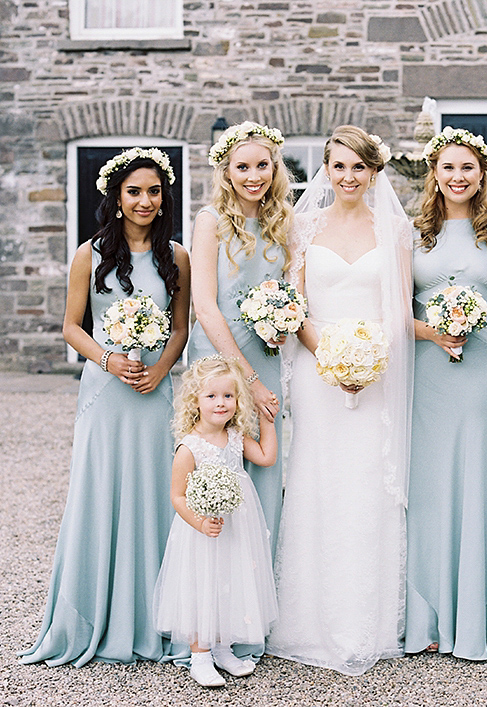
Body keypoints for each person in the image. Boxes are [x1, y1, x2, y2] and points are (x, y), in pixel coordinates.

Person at [19, 147, 190, 666]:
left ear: (164, 199)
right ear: (117, 196)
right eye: (134, 191)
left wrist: (161, 370)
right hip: (105, 392)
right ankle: (95, 615)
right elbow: (72, 325)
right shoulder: (88, 255)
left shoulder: (177, 256)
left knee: (156, 493)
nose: (144, 201)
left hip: (153, 392)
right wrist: (109, 359)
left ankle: (157, 618)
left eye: (154, 192)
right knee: (102, 493)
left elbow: (181, 326)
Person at [266, 126, 414, 675]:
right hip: (316, 370)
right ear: (325, 170)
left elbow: (398, 309)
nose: (348, 177)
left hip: (376, 370)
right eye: (338, 167)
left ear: (375, 173)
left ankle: (366, 623)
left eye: (359, 168)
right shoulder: (302, 226)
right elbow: (295, 303)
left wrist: (369, 360)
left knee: (367, 488)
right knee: (316, 481)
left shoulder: (394, 230)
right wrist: (329, 356)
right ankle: (307, 622)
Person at [405, 128, 487, 660]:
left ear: (482, 174)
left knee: (483, 474)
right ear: (434, 173)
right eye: (448, 168)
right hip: (429, 368)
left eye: (468, 168)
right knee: (432, 479)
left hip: (486, 367)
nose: (458, 177)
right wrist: (432, 331)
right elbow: (392, 312)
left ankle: (484, 616)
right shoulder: (412, 235)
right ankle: (427, 616)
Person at [187, 121, 293, 559]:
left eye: (262, 166)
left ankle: (258, 592)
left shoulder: (281, 221)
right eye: (243, 167)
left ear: (274, 167)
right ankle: (210, 595)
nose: (254, 176)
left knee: (265, 464)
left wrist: (285, 321)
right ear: (226, 171)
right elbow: (205, 306)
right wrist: (248, 379)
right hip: (219, 360)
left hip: (266, 354)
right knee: (216, 463)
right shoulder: (210, 221)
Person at [152, 356, 278, 687]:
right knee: (203, 584)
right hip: (202, 531)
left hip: (237, 526)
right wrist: (199, 523)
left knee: (231, 580)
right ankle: (200, 656)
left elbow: (266, 457)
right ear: (195, 401)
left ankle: (223, 648)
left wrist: (268, 422)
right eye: (211, 396)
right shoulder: (189, 447)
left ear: (237, 401)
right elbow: (177, 496)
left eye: (228, 396)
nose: (220, 403)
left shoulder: (236, 437)